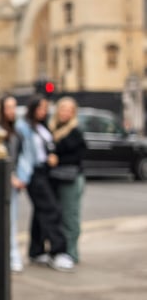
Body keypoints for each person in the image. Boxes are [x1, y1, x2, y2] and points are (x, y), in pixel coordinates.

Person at [13, 95, 74, 272]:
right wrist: (17, 174)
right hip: (33, 174)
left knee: (41, 212)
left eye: (46, 109)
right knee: (52, 210)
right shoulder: (23, 127)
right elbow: (18, 153)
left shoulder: (41, 126)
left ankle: (36, 251)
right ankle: (58, 252)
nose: (44, 112)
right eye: (41, 108)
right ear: (32, 109)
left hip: (45, 172)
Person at [47, 96, 87, 264]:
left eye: (69, 110)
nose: (65, 112)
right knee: (58, 216)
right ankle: (60, 251)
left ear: (73, 113)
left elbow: (79, 156)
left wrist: (58, 160)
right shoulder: (52, 128)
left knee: (70, 217)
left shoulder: (75, 131)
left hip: (71, 179)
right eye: (62, 108)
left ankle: (71, 253)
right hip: (56, 178)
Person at [0, 95, 25, 273]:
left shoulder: (17, 131)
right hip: (1, 183)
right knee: (2, 221)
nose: (12, 111)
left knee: (12, 221)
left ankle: (13, 255)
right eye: (8, 107)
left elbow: (20, 158)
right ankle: (6, 255)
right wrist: (10, 175)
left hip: (12, 185)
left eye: (14, 107)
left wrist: (19, 176)